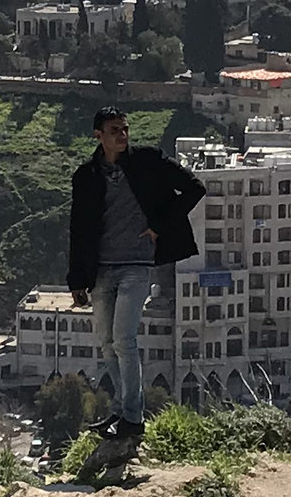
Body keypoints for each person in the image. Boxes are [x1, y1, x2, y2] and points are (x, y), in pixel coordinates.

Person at [66, 105, 204, 441]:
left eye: (125, 129)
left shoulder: (147, 161)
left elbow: (194, 188)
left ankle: (133, 417)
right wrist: (77, 280)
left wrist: (158, 227)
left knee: (125, 340)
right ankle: (119, 411)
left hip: (137, 265)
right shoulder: (86, 177)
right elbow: (78, 229)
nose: (123, 136)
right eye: (115, 130)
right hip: (101, 268)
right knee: (107, 344)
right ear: (98, 136)